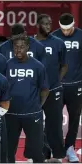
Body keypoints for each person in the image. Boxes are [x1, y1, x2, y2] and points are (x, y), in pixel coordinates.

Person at [5, 34, 49, 163]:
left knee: (36, 151)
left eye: (22, 47)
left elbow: (45, 89)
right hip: (11, 114)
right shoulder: (7, 65)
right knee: (9, 150)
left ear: (28, 47)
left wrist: (37, 106)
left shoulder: (38, 66)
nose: (18, 50)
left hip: (32, 114)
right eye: (16, 47)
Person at [35, 14, 68, 162]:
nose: (48, 27)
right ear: (38, 25)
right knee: (34, 125)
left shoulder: (59, 43)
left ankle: (59, 155)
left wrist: (56, 81)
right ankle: (41, 154)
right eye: (45, 24)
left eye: (50, 24)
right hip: (35, 92)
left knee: (54, 124)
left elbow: (64, 66)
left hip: (54, 90)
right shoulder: (31, 43)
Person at [52, 13, 82, 163]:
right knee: (54, 118)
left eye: (68, 29)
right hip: (57, 86)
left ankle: (70, 147)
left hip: (76, 85)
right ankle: (56, 149)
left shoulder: (81, 36)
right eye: (63, 29)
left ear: (74, 24)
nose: (65, 32)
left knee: (74, 118)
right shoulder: (53, 37)